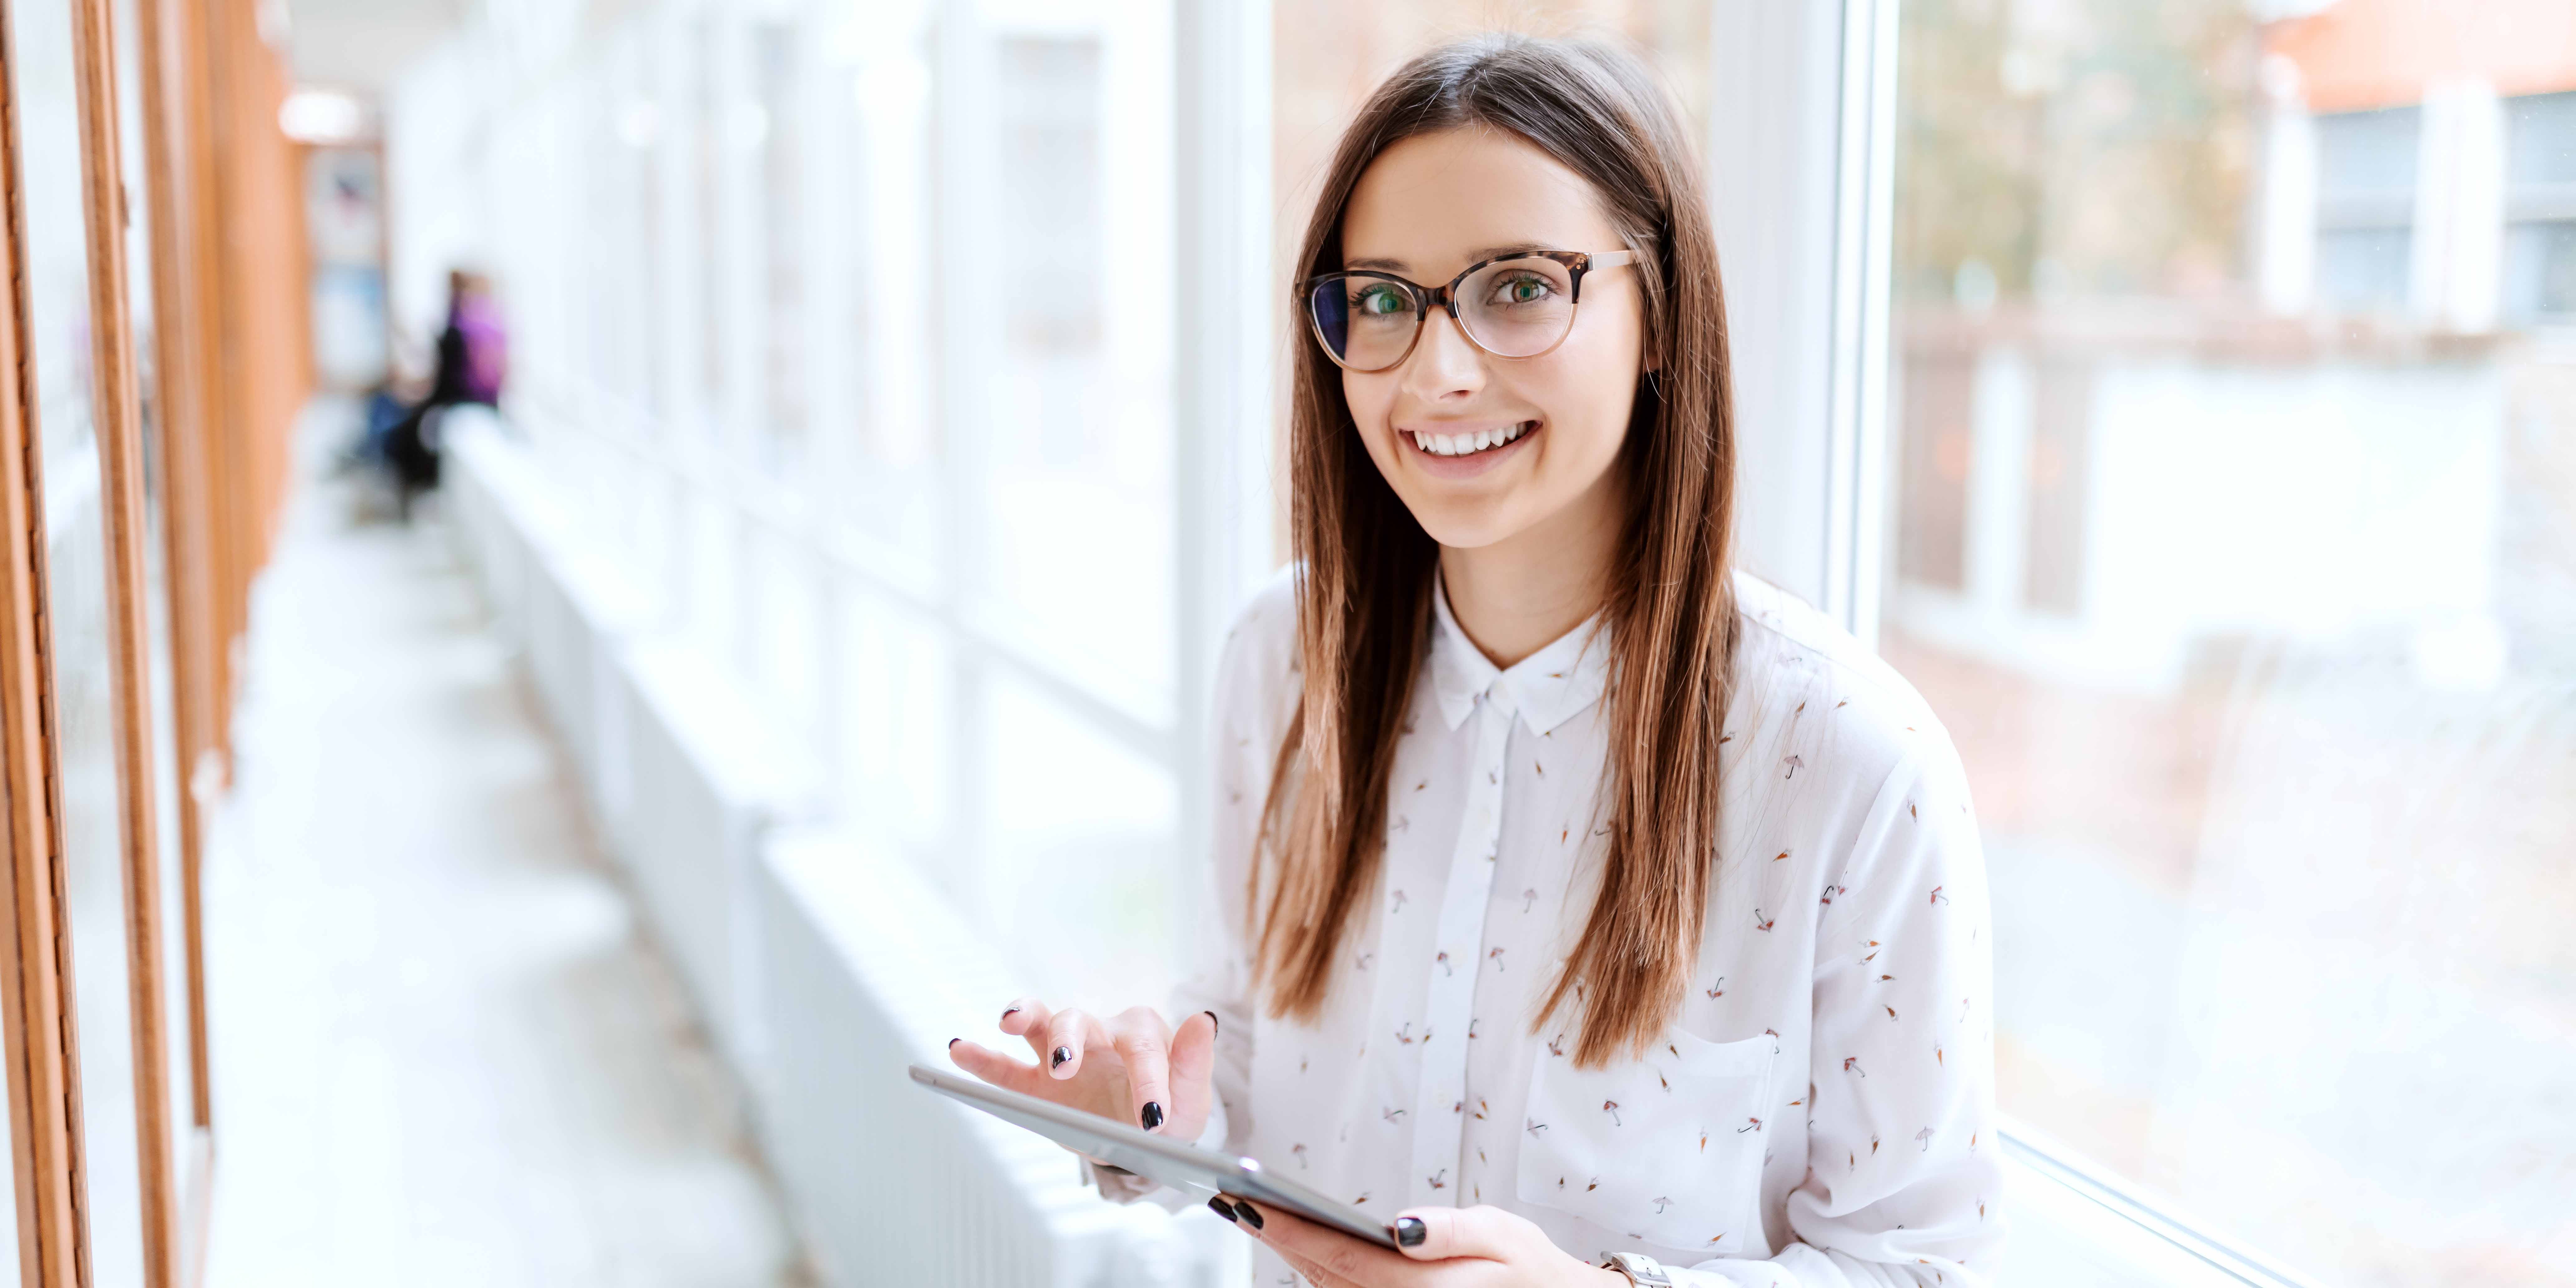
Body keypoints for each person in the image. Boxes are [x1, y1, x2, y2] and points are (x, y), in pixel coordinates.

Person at [950, 33, 2003, 1288]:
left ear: (1657, 312)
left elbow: (1924, 1266)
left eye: (1517, 287)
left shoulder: (1848, 759)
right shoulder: (1280, 661)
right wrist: (1153, 1106)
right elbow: (1256, 1054)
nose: (1439, 373)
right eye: (1384, 300)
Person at [381, 269, 506, 519]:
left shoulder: (466, 328)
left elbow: (454, 378)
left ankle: (413, 492)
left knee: (405, 435)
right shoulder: (480, 326)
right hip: (469, 402)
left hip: (462, 403)